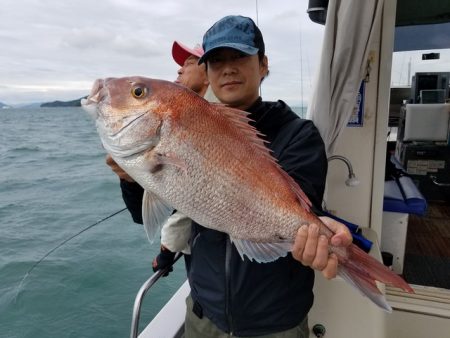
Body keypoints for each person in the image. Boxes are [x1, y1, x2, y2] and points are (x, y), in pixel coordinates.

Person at [117, 16, 352, 337]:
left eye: (239, 56)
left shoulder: (298, 133)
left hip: (275, 323)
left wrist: (322, 232)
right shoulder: (191, 127)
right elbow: (148, 211)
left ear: (263, 64)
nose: (227, 68)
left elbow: (300, 208)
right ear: (208, 73)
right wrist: (131, 178)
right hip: (203, 314)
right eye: (216, 61)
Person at [106, 40, 216, 273]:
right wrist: (130, 179)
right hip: (202, 280)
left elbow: (186, 210)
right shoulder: (177, 124)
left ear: (209, 74)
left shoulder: (215, 125)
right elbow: (141, 213)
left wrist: (166, 251)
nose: (179, 69)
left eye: (189, 63)